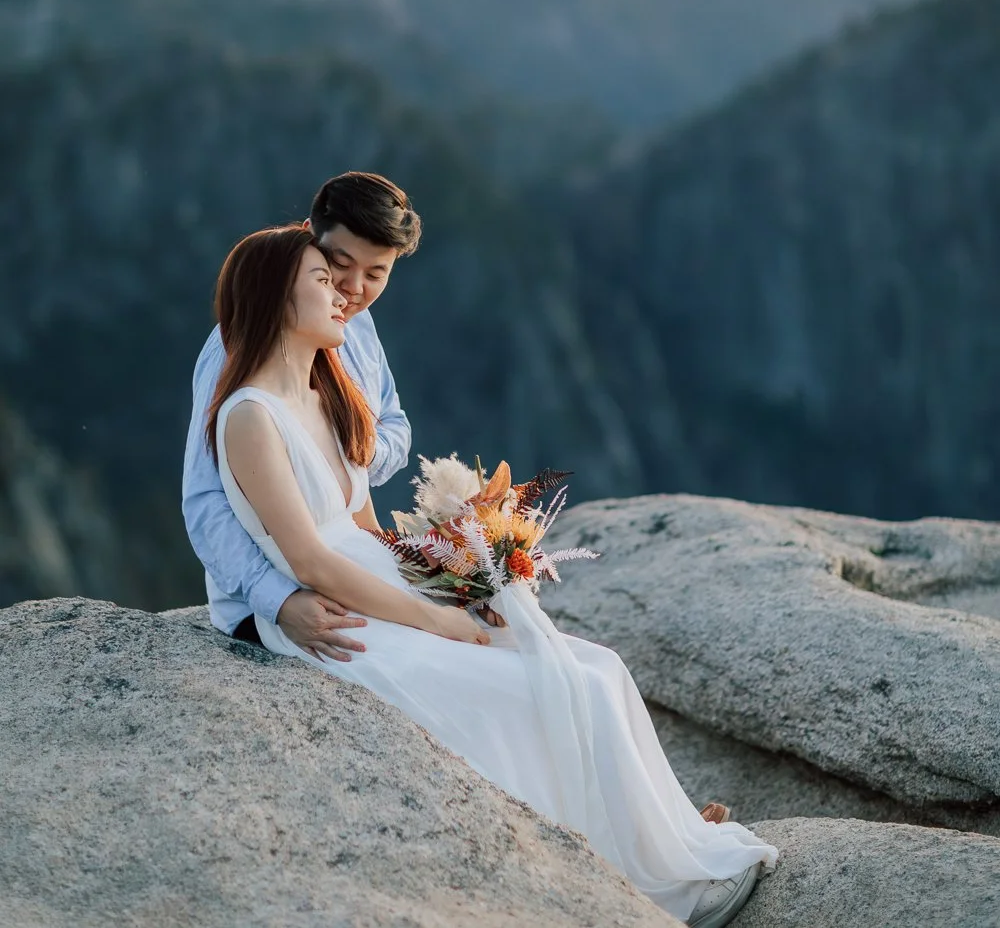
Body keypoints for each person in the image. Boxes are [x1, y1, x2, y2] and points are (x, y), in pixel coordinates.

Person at [204, 222, 777, 926]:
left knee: (597, 669)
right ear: (274, 298)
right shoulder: (249, 418)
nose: (343, 296)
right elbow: (311, 558)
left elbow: (358, 527)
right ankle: (650, 884)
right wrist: (435, 619)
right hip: (338, 617)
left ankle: (665, 836)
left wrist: (454, 578)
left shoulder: (324, 397)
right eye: (323, 280)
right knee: (522, 692)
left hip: (380, 583)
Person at [182, 172, 420, 660]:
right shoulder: (236, 351)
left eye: (376, 275)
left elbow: (394, 427)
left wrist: (348, 445)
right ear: (310, 234)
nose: (353, 290)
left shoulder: (354, 329)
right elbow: (204, 498)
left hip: (352, 562)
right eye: (339, 264)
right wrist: (277, 598)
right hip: (284, 590)